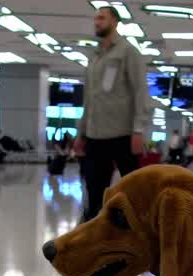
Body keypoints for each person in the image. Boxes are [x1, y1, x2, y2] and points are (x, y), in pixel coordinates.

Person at [75, 5, 148, 221]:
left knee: (134, 190)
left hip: (123, 134)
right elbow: (89, 99)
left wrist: (138, 129)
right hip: (95, 135)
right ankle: (91, 230)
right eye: (96, 19)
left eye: (102, 18)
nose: (97, 22)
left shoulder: (128, 52)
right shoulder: (94, 57)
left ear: (115, 22)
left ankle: (140, 232)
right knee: (94, 189)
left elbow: (140, 91)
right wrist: (81, 133)